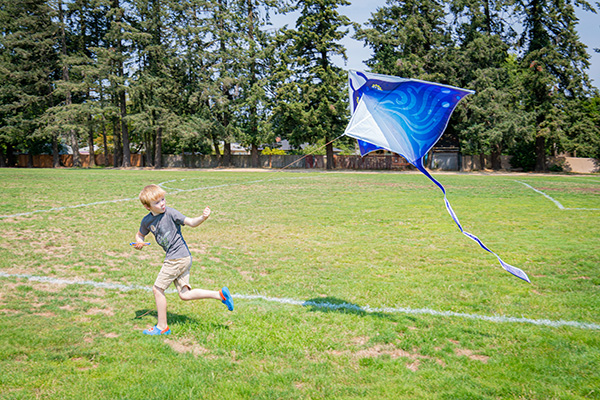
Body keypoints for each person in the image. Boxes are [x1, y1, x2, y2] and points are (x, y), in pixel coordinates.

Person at [133, 184, 234, 335]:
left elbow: (192, 222)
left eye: (163, 199)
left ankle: (162, 327)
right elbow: (140, 234)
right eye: (157, 202)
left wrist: (203, 217)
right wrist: (139, 242)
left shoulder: (171, 213)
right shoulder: (147, 221)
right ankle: (219, 295)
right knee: (184, 295)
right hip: (182, 257)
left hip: (177, 258)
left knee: (157, 289)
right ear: (148, 207)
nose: (162, 203)